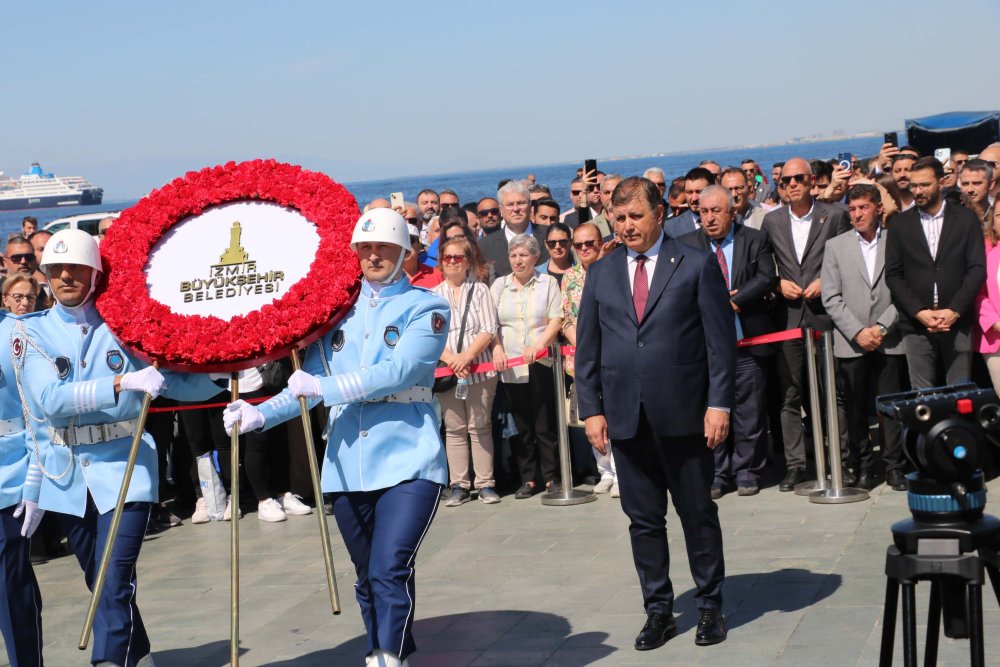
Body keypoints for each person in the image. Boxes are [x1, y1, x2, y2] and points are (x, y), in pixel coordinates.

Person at [225, 208, 450, 667]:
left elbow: (400, 371)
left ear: (404, 251)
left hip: (409, 457)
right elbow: (303, 386)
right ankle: (380, 648)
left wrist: (324, 388)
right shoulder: (335, 316)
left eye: (383, 248)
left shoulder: (427, 306)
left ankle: (389, 655)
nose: (373, 256)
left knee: (390, 566)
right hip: (348, 463)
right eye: (364, 249)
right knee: (367, 574)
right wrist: (258, 415)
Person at [20, 229, 225, 667]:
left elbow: (173, 377)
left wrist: (224, 375)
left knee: (114, 577)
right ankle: (138, 651)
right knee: (101, 579)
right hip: (67, 474)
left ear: (95, 274)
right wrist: (119, 381)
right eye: (57, 270)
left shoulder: (125, 326)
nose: (67, 277)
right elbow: (47, 400)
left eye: (77, 268)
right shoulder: (30, 333)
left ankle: (108, 661)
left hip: (125, 467)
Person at [576, 176, 734, 650]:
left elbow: (719, 343)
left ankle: (709, 606)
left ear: (660, 213)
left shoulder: (695, 262)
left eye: (635, 216)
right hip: (626, 419)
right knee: (643, 521)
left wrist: (718, 403)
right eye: (619, 218)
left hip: (686, 415)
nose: (626, 226)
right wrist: (592, 410)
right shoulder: (601, 273)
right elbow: (589, 348)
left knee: (697, 515)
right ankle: (659, 611)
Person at [760, 158, 851, 491]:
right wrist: (777, 283)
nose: (792, 184)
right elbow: (763, 263)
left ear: (812, 181)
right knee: (790, 394)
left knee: (833, 393)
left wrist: (825, 281)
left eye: (799, 178)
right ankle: (796, 464)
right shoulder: (771, 221)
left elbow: (847, 259)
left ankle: (841, 461)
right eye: (786, 180)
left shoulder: (835, 216)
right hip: (788, 319)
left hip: (826, 315)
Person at [679, 185, 777, 498]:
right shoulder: (685, 245)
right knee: (712, 412)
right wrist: (713, 301)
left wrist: (735, 300)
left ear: (731, 212)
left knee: (749, 411)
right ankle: (717, 474)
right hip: (706, 350)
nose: (708, 218)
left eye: (715, 211)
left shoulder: (755, 238)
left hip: (746, 341)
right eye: (704, 212)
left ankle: (747, 471)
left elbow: (765, 277)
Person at [822, 184, 908, 492]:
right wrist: (858, 331)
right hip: (851, 341)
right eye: (853, 209)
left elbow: (905, 291)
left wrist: (882, 328)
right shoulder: (836, 246)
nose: (857, 214)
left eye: (863, 207)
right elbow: (830, 297)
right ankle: (860, 467)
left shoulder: (896, 242)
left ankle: (894, 466)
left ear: (878, 209)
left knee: (891, 407)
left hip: (891, 339)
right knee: (856, 410)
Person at [886, 157, 986, 389]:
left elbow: (976, 268)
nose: (918, 191)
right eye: (914, 185)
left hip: (957, 321)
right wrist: (919, 312)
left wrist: (955, 310)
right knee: (924, 399)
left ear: (940, 183)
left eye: (924, 185)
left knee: (960, 392)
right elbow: (893, 274)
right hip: (916, 325)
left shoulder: (965, 219)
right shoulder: (900, 225)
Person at [490, 234, 563, 499]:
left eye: (523, 255)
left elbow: (556, 319)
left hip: (540, 362)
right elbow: (492, 324)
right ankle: (528, 477)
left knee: (544, 423)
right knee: (520, 424)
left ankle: (552, 476)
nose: (518, 261)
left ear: (535, 257)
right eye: (513, 255)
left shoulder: (548, 283)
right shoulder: (499, 285)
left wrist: (539, 345)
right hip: (510, 364)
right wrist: (497, 347)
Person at [434, 236, 501, 507]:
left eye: (457, 257)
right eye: (447, 257)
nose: (452, 262)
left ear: (468, 261)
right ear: (441, 262)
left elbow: (488, 328)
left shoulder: (481, 290)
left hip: (479, 370)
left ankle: (485, 483)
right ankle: (459, 484)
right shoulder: (434, 295)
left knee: (480, 426)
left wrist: (467, 357)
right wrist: (452, 359)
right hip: (449, 373)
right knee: (454, 428)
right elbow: (431, 334)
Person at [0, 300, 44, 667]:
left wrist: (34, 478)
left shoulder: (15, 332)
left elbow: (35, 410)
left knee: (10, 585)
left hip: (7, 475)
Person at [561, 222, 618, 495]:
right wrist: (583, 344)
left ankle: (620, 473)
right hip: (582, 357)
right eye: (578, 245)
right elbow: (565, 318)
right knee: (592, 416)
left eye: (589, 243)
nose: (584, 248)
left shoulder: (613, 269)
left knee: (615, 413)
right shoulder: (569, 277)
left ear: (600, 242)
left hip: (612, 354)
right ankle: (604, 470)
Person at [479, 180, 549, 279]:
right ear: (501, 210)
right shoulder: (484, 246)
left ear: (530, 206)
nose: (516, 209)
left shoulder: (550, 235)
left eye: (521, 203)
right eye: (510, 205)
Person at [977, 204, 1000, 396]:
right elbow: (978, 293)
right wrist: (994, 322)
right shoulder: (985, 252)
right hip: (996, 337)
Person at [665, 167, 714, 238]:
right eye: (689, 192)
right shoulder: (672, 228)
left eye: (699, 192)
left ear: (712, 190)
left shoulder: (726, 220)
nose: (694, 198)